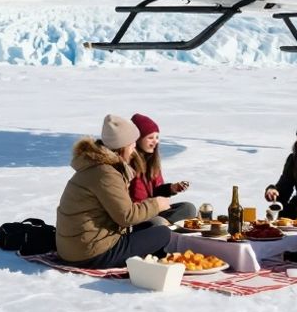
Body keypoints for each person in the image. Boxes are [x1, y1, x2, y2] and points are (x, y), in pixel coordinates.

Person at [55, 114, 172, 267]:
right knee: (162, 233)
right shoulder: (106, 173)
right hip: (91, 252)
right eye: (132, 144)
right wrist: (157, 204)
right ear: (122, 146)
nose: (134, 148)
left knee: (151, 226)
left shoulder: (97, 166)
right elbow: (127, 217)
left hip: (76, 248)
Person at [129, 113, 197, 223]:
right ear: (138, 139)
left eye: (157, 137)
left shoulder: (152, 161)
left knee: (188, 208)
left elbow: (156, 191)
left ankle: (163, 226)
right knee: (158, 222)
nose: (155, 141)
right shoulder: (128, 164)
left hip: (155, 211)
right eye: (150, 138)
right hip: (139, 216)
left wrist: (172, 188)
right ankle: (161, 226)